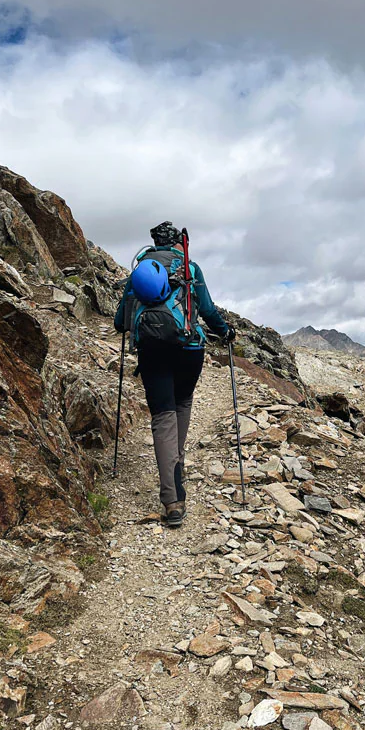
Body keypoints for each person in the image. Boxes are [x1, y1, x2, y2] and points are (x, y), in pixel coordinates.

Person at [115, 221, 234, 526]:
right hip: (189, 351)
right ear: (177, 243)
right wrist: (225, 332)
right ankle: (175, 470)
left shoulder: (141, 271)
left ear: (153, 243)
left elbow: (121, 322)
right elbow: (207, 310)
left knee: (162, 417)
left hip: (152, 352)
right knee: (182, 405)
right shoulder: (190, 269)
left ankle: (172, 501)